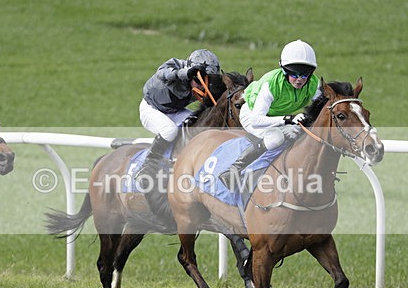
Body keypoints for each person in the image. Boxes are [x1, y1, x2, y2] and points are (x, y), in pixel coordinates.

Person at [218, 39, 320, 189]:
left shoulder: (313, 84)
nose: (299, 80)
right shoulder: (271, 85)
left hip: (273, 116)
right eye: (294, 74)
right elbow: (256, 120)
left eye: (304, 75)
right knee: (276, 137)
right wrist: (288, 119)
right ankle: (232, 170)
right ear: (284, 71)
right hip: (252, 114)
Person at [136, 48, 222, 183]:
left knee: (198, 127)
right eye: (199, 81)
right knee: (169, 131)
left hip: (176, 111)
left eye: (209, 80)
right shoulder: (174, 65)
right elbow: (162, 74)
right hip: (151, 109)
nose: (204, 86)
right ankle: (147, 167)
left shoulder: (203, 83)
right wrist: (185, 73)